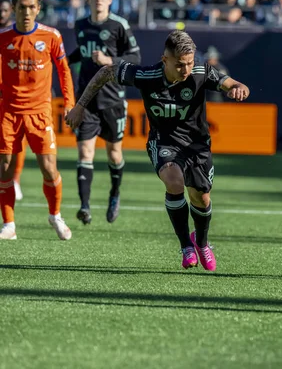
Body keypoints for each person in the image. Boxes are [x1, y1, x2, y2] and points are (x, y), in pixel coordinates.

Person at [66, 30, 250, 270]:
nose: (186, 70)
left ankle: (201, 243)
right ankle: (185, 245)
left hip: (197, 145)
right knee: (174, 182)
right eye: (180, 65)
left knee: (201, 197)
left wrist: (239, 87)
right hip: (163, 141)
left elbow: (230, 82)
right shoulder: (146, 75)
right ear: (165, 60)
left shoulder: (200, 72)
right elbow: (105, 72)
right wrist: (80, 106)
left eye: (190, 63)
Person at [0, 0, 75, 240]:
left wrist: (69, 103)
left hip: (40, 112)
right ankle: (9, 225)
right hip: (9, 112)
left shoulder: (51, 36)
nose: (27, 11)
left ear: (39, 8)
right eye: (22, 7)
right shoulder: (3, 36)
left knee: (49, 168)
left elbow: (63, 70)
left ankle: (55, 215)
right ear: (14, 9)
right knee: (5, 168)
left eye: (32, 7)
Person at [67, 0, 141, 225]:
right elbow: (80, 52)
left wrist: (111, 60)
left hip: (112, 99)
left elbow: (135, 57)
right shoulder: (80, 25)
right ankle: (85, 207)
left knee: (114, 153)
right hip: (85, 99)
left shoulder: (119, 25)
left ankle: (114, 192)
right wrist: (63, 62)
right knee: (85, 151)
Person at [0, 0, 25, 201]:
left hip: (13, 95)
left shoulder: (16, 35)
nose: (1, 13)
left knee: (17, 140)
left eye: (5, 9)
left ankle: (15, 179)